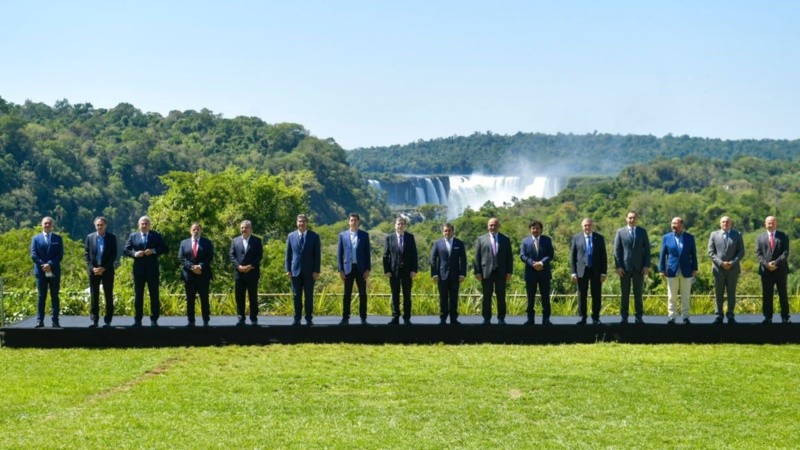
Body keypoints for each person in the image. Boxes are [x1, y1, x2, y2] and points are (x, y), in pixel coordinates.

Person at [124, 216, 169, 327]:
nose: (144, 226)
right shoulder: (133, 236)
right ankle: (137, 319)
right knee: (138, 295)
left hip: (152, 270)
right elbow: (126, 250)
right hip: (138, 270)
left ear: (150, 225)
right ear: (139, 225)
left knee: (154, 295)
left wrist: (153, 251)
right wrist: (135, 254)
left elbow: (165, 249)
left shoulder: (156, 235)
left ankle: (154, 320)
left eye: (146, 223)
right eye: (142, 224)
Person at [473, 217, 513, 325]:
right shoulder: (481, 239)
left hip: (501, 272)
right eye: (491, 225)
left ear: (498, 226)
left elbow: (509, 256)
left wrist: (509, 272)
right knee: (486, 296)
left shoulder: (505, 238)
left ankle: (501, 318)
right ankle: (486, 318)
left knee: (501, 296)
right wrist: (477, 272)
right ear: (487, 226)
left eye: (495, 225)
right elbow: (477, 257)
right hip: (486, 272)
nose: (493, 227)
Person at [658, 217, 698, 324]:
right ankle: (672, 317)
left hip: (687, 270)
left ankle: (685, 317)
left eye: (675, 223)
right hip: (671, 270)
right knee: (672, 296)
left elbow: (693, 254)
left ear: (681, 225)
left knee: (686, 295)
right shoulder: (666, 237)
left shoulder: (690, 237)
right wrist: (661, 269)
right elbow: (662, 255)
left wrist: (695, 268)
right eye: (672, 223)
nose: (673, 225)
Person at [613, 211, 650, 324]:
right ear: (626, 219)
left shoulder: (642, 232)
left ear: (636, 219)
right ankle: (624, 317)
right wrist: (618, 266)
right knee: (625, 294)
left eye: (634, 218)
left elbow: (647, 250)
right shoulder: (620, 232)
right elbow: (616, 250)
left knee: (638, 293)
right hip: (624, 268)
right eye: (630, 218)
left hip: (639, 268)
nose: (632, 220)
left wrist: (646, 265)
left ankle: (639, 317)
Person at [707, 216, 745, 324]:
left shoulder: (737, 235)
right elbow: (710, 252)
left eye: (727, 222)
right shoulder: (713, 235)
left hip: (733, 270)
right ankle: (719, 315)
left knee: (731, 293)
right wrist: (721, 263)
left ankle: (730, 315)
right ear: (720, 224)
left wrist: (731, 263)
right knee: (718, 293)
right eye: (723, 222)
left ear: (731, 224)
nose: (725, 223)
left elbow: (741, 252)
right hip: (718, 269)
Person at [285, 214, 321, 326]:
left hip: (310, 272)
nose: (301, 223)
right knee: (296, 296)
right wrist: (288, 269)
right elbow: (288, 254)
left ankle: (309, 318)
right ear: (297, 223)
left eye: (304, 221)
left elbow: (317, 255)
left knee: (309, 296)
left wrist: (316, 271)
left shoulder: (314, 236)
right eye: (300, 221)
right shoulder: (291, 236)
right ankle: (297, 318)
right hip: (295, 271)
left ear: (307, 223)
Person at [570, 218, 608, 325]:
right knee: (582, 295)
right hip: (581, 271)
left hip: (596, 271)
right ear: (582, 226)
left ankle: (595, 318)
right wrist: (573, 272)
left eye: (589, 225)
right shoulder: (576, 238)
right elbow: (572, 257)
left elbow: (603, 257)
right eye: (585, 225)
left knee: (596, 294)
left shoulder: (599, 238)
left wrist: (603, 273)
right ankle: (583, 317)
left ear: (592, 226)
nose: (587, 227)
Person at [383, 216, 418, 325]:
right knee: (395, 294)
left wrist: (414, 270)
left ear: (405, 225)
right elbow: (385, 256)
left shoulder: (410, 237)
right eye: (398, 224)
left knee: (407, 295)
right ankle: (395, 316)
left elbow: (414, 255)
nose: (400, 226)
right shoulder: (389, 238)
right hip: (394, 271)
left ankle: (407, 317)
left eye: (402, 224)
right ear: (395, 225)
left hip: (407, 271)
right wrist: (387, 270)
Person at [755, 216, 791, 324]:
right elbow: (758, 253)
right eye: (768, 223)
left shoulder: (783, 236)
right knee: (767, 295)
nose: (770, 225)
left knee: (783, 294)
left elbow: (786, 252)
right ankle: (768, 317)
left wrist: (775, 263)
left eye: (772, 223)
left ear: (776, 224)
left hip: (781, 270)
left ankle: (785, 317)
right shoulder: (760, 237)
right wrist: (767, 264)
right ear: (765, 224)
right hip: (766, 271)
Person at [337, 213, 371, 325]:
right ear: (348, 222)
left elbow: (367, 254)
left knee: (363, 294)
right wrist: (340, 270)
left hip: (361, 269)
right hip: (347, 269)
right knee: (347, 294)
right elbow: (339, 254)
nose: (353, 222)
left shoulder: (364, 235)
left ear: (358, 222)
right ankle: (345, 317)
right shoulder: (343, 235)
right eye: (351, 220)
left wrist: (368, 269)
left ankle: (363, 317)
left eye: (355, 220)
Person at [430, 222, 467, 325]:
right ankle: (443, 318)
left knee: (454, 298)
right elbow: (433, 259)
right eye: (445, 230)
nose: (447, 232)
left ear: (453, 231)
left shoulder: (459, 243)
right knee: (443, 298)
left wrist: (462, 274)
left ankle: (454, 319)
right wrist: (434, 274)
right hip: (441, 276)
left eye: (449, 230)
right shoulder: (437, 243)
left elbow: (463, 259)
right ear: (442, 232)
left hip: (456, 276)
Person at [84, 216, 117, 328]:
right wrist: (93, 267)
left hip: (107, 270)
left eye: (101, 225)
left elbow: (114, 255)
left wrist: (104, 268)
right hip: (93, 270)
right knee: (94, 295)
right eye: (97, 225)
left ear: (105, 225)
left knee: (108, 295)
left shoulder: (112, 238)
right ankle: (94, 320)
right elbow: (87, 254)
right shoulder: (90, 237)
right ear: (95, 225)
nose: (99, 227)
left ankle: (108, 320)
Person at [30, 216, 63, 328]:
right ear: (42, 225)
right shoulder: (36, 238)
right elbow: (33, 255)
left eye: (49, 223)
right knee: (41, 296)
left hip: (54, 272)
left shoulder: (58, 239)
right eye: (45, 223)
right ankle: (40, 320)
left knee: (55, 296)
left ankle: (55, 321)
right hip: (40, 272)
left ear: (52, 225)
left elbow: (59, 255)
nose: (47, 225)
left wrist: (50, 264)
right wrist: (43, 265)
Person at [178, 222, 214, 327]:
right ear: (190, 231)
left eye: (198, 229)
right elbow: (181, 257)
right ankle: (190, 321)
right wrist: (192, 267)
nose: (196, 231)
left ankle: (206, 320)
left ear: (201, 230)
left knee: (204, 298)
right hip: (189, 275)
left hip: (203, 274)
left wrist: (200, 266)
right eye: (194, 229)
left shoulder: (207, 242)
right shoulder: (184, 243)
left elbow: (210, 257)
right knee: (190, 298)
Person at [519, 219, 554, 326]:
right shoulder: (525, 241)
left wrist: (541, 263)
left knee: (545, 297)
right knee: (530, 297)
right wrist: (532, 263)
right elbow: (522, 255)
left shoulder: (547, 240)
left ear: (541, 229)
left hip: (544, 272)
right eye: (533, 228)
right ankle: (530, 319)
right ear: (530, 230)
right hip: (530, 273)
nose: (535, 230)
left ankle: (546, 319)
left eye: (537, 228)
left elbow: (550, 255)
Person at [229, 220, 263, 327]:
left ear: (251, 229)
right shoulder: (235, 241)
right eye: (242, 228)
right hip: (239, 274)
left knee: (253, 297)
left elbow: (259, 256)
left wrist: (250, 266)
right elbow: (232, 255)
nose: (243, 230)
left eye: (246, 228)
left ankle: (254, 319)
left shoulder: (257, 241)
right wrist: (238, 266)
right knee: (239, 297)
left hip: (252, 273)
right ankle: (241, 319)